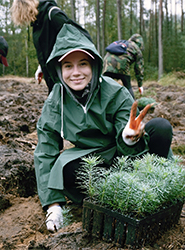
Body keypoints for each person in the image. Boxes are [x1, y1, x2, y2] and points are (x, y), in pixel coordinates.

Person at [34, 23, 173, 232]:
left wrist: (128, 138)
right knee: (65, 169)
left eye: (83, 64)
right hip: (94, 161)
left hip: (124, 154)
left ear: (94, 65)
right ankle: (117, 195)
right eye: (68, 66)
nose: (76, 73)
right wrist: (53, 205)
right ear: (59, 70)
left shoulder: (115, 93)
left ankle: (155, 190)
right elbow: (45, 152)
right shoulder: (55, 101)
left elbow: (130, 144)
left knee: (160, 128)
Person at [11, 0, 93, 94]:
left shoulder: (53, 14)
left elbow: (77, 37)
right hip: (51, 76)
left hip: (64, 74)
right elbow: (46, 48)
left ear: (25, 7)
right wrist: (41, 67)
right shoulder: (37, 23)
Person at [102, 34, 145, 98]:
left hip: (106, 66)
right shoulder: (136, 48)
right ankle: (132, 105)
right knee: (128, 87)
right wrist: (140, 85)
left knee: (104, 87)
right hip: (122, 67)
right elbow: (139, 68)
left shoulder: (121, 43)